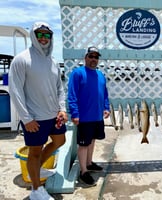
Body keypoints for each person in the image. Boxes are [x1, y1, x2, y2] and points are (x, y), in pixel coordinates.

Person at [9, 22, 67, 200]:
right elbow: (15, 90)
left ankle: (39, 168)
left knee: (60, 141)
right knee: (34, 152)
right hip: (34, 118)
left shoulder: (53, 62)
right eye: (39, 34)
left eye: (46, 35)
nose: (43, 38)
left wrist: (62, 109)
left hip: (53, 115)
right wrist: (26, 119)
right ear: (33, 36)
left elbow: (59, 88)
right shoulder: (22, 59)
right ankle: (36, 190)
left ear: (51, 38)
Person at [68, 46, 110, 186]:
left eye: (96, 57)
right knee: (83, 144)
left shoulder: (100, 75)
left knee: (92, 140)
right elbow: (72, 95)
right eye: (90, 56)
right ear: (85, 57)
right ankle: (83, 171)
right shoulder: (77, 73)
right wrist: (74, 113)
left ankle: (89, 162)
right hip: (84, 117)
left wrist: (106, 107)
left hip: (97, 117)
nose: (93, 59)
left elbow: (104, 94)